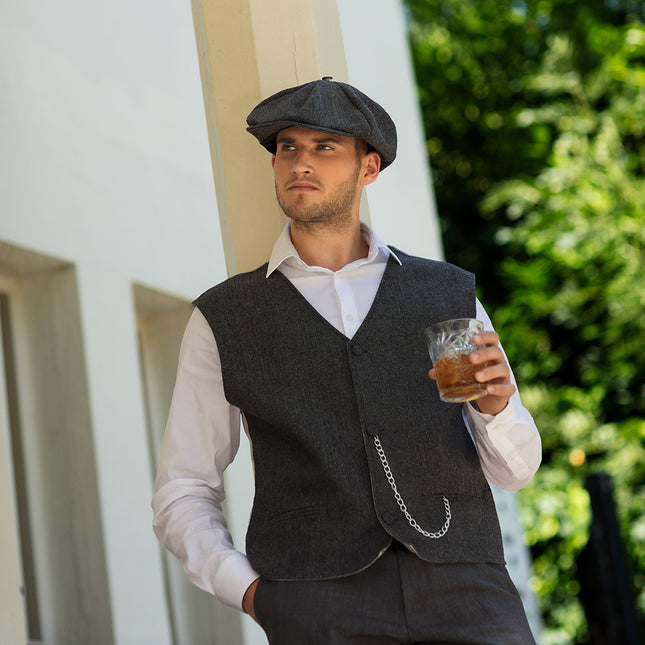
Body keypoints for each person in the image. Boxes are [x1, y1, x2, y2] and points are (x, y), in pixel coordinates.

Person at [152, 78, 542, 644]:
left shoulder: (447, 295)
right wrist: (253, 593)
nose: (300, 163)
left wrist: (498, 407)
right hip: (315, 601)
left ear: (369, 168)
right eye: (288, 147)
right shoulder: (225, 316)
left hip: (467, 591)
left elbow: (517, 471)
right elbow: (183, 486)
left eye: (324, 147)